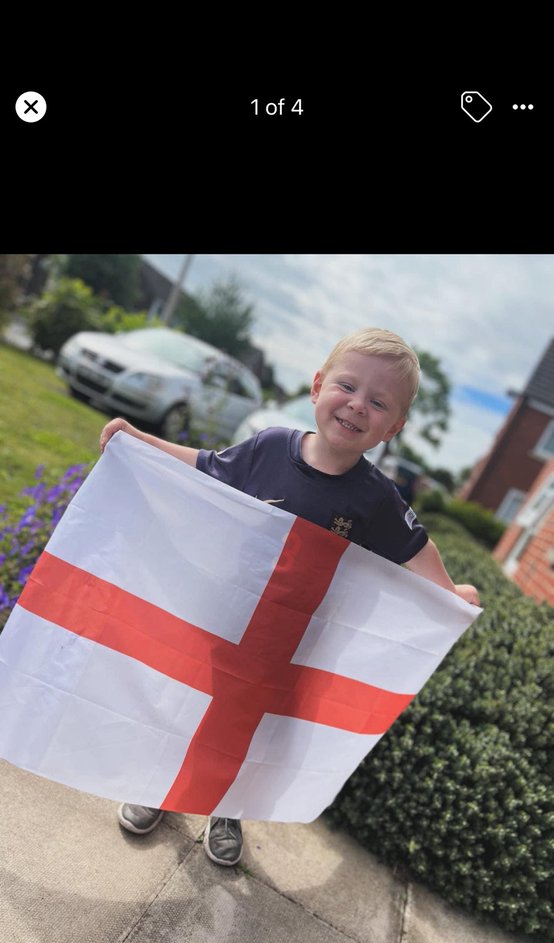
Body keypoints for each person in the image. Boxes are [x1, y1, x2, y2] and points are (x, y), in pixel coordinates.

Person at [98, 327, 480, 866]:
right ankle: (160, 786)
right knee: (189, 706)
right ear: (318, 386)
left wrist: (451, 595)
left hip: (297, 644)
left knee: (250, 731)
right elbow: (207, 467)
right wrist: (141, 442)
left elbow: (416, 550)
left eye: (378, 402)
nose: (356, 405)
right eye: (347, 386)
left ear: (393, 426)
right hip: (224, 618)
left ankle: (227, 805)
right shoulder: (271, 447)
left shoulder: (378, 499)